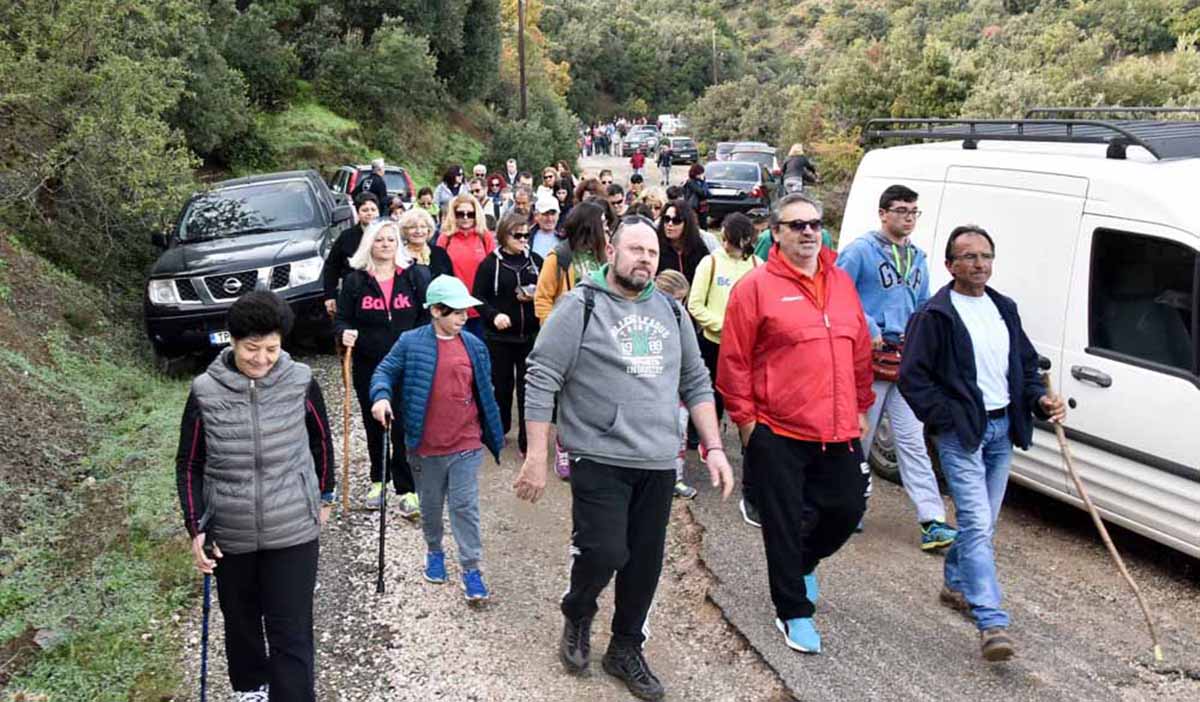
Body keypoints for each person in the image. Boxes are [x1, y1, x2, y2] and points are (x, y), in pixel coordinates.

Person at [514, 216, 734, 702]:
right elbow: (542, 376)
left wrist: (713, 447)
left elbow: (696, 381)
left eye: (652, 253)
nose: (645, 260)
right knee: (606, 550)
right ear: (611, 250)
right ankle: (578, 608)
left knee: (645, 562)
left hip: (656, 459)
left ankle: (625, 648)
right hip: (597, 452)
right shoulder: (581, 306)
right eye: (635, 249)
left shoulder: (672, 314)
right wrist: (536, 454)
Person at [899, 225, 1066, 662]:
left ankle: (955, 584)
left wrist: (1041, 401)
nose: (979, 264)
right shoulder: (935, 315)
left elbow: (1025, 369)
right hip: (962, 435)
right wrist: (946, 420)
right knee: (976, 523)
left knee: (982, 523)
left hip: (1000, 432)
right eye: (969, 256)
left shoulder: (1003, 308)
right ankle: (991, 622)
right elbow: (912, 378)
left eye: (985, 256)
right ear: (950, 265)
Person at [718, 193, 875, 655]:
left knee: (847, 509)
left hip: (839, 426)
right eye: (796, 225)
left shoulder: (842, 283)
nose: (808, 232)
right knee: (783, 524)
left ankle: (803, 563)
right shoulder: (755, 287)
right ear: (777, 233)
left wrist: (862, 403)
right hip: (777, 428)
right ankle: (793, 612)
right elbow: (734, 360)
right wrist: (747, 424)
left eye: (815, 224)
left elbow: (859, 348)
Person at [176, 291, 335, 702]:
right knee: (242, 622)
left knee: (291, 628)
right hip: (231, 530)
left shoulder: (300, 380)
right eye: (252, 348)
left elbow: (321, 442)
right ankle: (250, 687)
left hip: (294, 528)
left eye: (271, 348)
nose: (262, 358)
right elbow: (189, 464)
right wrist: (196, 528)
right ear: (232, 341)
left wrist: (324, 496)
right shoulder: (205, 391)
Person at [370, 275, 505, 603]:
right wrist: (381, 397)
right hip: (425, 446)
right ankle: (434, 550)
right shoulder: (410, 342)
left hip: (466, 443)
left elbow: (484, 390)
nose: (463, 318)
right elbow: (383, 371)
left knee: (464, 506)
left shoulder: (474, 345)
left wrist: (492, 429)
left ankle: (471, 568)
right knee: (430, 507)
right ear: (436, 311)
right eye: (456, 312)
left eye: (465, 312)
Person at [837, 184, 956, 549]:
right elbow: (837, 292)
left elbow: (923, 305)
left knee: (912, 439)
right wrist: (869, 327)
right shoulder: (860, 251)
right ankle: (850, 507)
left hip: (905, 360)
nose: (908, 217)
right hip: (867, 359)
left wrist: (926, 344)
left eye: (913, 211)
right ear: (883, 213)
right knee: (860, 436)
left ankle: (932, 519)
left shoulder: (918, 257)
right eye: (901, 210)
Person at [334, 220, 429, 517]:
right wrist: (343, 333)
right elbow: (342, 319)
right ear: (369, 245)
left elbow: (426, 317)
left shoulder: (413, 276)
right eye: (379, 240)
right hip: (368, 363)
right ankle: (378, 479)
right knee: (374, 422)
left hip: (406, 363)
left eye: (391, 240)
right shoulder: (355, 282)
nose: (386, 244)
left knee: (403, 424)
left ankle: (407, 487)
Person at [532, 200, 608, 481]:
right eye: (603, 223)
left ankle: (588, 444)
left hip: (597, 338)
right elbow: (542, 298)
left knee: (590, 393)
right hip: (567, 336)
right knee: (566, 396)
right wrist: (550, 333)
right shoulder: (559, 257)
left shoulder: (603, 257)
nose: (607, 227)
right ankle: (563, 445)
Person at [686, 212, 759, 458]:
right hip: (713, 343)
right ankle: (707, 438)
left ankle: (749, 442)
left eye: (730, 239)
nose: (725, 244)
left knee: (746, 396)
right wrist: (723, 325)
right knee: (711, 393)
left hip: (747, 347)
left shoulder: (758, 265)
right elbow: (695, 305)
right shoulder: (711, 262)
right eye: (724, 238)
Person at [472, 213, 543, 455]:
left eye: (527, 235)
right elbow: (477, 297)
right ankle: (499, 430)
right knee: (501, 387)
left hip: (530, 337)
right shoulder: (490, 263)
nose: (524, 239)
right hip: (499, 338)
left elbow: (548, 291)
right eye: (518, 235)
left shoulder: (535, 261)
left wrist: (536, 297)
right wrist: (494, 316)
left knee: (528, 389)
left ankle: (527, 441)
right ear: (504, 235)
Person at [654, 269, 699, 500]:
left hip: (676, 385)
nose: (679, 304)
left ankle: (676, 478)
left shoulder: (682, 317)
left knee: (679, 425)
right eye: (675, 299)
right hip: (652, 386)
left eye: (683, 299)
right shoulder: (646, 314)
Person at [436, 193, 497, 338]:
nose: (465, 217)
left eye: (470, 214)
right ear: (453, 215)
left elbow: (494, 270)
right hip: (453, 307)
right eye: (460, 213)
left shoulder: (485, 237)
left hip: (480, 308)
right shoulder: (445, 238)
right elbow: (438, 273)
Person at [322, 192, 379, 317]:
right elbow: (331, 266)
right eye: (365, 210)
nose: (369, 213)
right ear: (358, 213)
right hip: (352, 293)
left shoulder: (388, 235)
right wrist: (330, 296)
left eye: (373, 209)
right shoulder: (346, 236)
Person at [656, 199, 709, 284]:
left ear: (687, 224)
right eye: (666, 219)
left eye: (676, 220)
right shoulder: (656, 248)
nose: (670, 224)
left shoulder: (699, 249)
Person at [397, 207, 453, 277]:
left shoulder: (440, 253)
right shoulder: (399, 255)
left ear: (428, 230)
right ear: (405, 231)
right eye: (412, 227)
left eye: (423, 227)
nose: (418, 231)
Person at [529, 195, 562, 259]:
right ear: (536, 215)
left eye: (553, 213)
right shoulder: (526, 238)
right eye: (545, 214)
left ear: (558, 215)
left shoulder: (566, 237)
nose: (550, 218)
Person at [683, 163, 711, 230]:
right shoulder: (691, 182)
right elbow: (702, 193)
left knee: (703, 224)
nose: (702, 175)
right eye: (700, 173)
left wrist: (703, 182)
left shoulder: (700, 182)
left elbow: (709, 194)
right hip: (694, 207)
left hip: (702, 207)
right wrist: (704, 183)